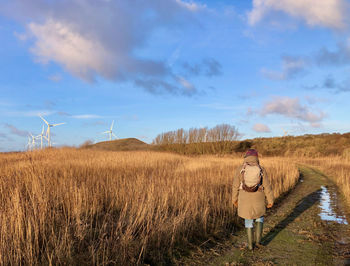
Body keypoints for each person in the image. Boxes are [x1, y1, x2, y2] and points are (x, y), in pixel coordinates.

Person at [232, 149, 274, 250]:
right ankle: (258, 242)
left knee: (248, 219)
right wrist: (270, 200)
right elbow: (267, 186)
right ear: (256, 157)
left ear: (246, 157)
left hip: (244, 198)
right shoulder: (261, 169)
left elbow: (235, 186)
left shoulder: (240, 169)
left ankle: (250, 246)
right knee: (259, 216)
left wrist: (234, 199)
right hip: (258, 197)